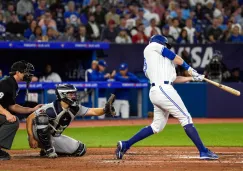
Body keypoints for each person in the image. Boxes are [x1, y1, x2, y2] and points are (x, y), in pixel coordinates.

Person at [115, 35, 219, 160]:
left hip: (158, 91)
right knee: (185, 117)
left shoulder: (162, 63)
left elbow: (175, 79)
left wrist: (193, 77)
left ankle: (125, 144)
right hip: (163, 89)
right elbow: (174, 57)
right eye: (165, 45)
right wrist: (190, 69)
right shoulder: (152, 47)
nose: (165, 47)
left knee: (156, 126)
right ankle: (203, 151)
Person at [26, 84, 115, 158]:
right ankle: (48, 150)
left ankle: (46, 149)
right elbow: (29, 118)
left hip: (54, 137)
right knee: (42, 118)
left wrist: (105, 109)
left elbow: (93, 111)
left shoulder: (75, 108)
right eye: (71, 94)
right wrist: (31, 137)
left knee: (80, 149)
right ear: (63, 95)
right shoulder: (50, 107)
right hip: (37, 135)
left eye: (74, 94)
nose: (74, 96)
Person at [0, 60, 42, 160]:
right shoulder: (6, 83)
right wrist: (7, 113)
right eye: (25, 72)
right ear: (18, 73)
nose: (28, 74)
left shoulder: (13, 84)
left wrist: (32, 109)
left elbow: (12, 106)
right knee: (12, 121)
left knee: (9, 118)